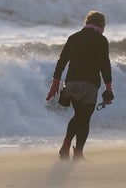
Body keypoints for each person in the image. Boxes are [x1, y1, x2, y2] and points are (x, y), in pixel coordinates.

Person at [46, 10, 114, 161]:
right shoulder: (101, 41)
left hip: (72, 83)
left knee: (78, 115)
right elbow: (105, 65)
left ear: (87, 23)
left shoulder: (74, 38)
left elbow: (62, 61)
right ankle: (78, 153)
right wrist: (108, 88)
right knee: (84, 118)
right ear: (101, 25)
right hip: (90, 85)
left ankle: (66, 144)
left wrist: (55, 83)